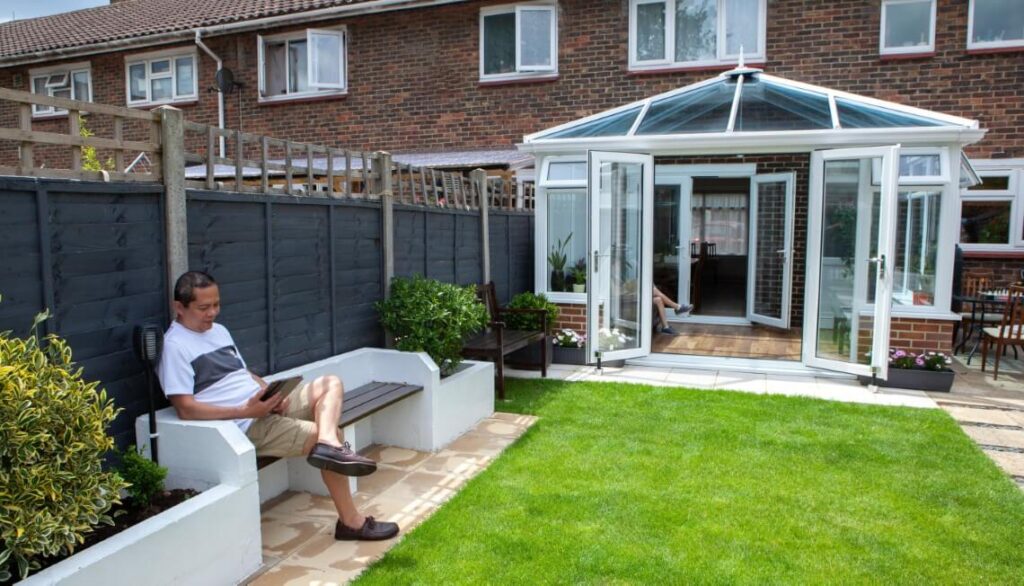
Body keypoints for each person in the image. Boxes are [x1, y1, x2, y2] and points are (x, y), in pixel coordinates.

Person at [156, 271, 399, 541]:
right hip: (243, 424)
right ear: (179, 307)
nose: (212, 313)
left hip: (261, 406)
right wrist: (247, 411)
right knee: (321, 436)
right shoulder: (174, 346)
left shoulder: (219, 331)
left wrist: (269, 393)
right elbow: (186, 409)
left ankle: (329, 442)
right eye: (203, 308)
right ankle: (351, 522)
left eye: (216, 304)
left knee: (329, 383)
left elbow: (241, 373)